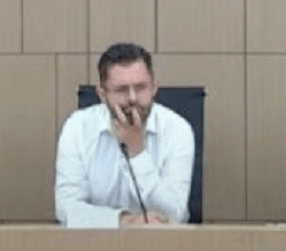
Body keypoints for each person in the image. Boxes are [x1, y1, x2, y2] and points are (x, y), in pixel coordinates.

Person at [54, 43, 195, 226]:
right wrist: (124, 220)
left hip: (160, 241)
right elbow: (66, 209)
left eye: (141, 87)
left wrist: (137, 152)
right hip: (93, 241)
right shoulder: (78, 127)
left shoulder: (177, 129)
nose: (132, 98)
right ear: (102, 94)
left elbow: (175, 214)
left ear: (154, 88)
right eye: (121, 90)